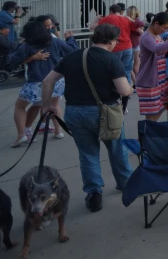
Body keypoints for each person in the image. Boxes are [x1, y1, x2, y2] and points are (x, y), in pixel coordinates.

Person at [40, 24, 133, 213]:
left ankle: (94, 193)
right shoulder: (111, 60)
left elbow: (47, 81)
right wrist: (131, 88)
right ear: (112, 41)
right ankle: (125, 183)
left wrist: (47, 105)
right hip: (105, 112)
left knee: (87, 153)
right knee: (116, 149)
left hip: (75, 112)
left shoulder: (73, 56)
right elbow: (124, 90)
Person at [9, 20, 77, 146]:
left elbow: (12, 60)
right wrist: (70, 39)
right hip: (56, 80)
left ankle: (21, 135)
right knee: (54, 105)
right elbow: (72, 50)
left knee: (20, 107)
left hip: (36, 82)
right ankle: (58, 131)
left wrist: (20, 46)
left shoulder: (27, 46)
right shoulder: (54, 41)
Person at [135, 12, 168, 121]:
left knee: (164, 105)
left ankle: (149, 132)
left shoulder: (157, 35)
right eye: (165, 28)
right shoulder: (146, 37)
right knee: (152, 113)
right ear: (156, 24)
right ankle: (147, 134)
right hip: (150, 81)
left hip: (160, 79)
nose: (166, 31)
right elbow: (156, 48)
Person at [97, 4, 142, 87]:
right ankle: (126, 91)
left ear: (111, 11)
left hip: (115, 48)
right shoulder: (126, 19)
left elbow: (92, 27)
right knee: (127, 70)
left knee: (113, 70)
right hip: (128, 47)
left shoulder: (108, 18)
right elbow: (139, 28)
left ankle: (115, 90)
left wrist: (96, 20)